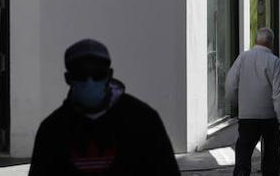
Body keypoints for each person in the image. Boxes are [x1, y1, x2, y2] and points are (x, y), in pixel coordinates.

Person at [29, 38, 180, 175]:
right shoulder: (53, 131)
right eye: (81, 74)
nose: (89, 82)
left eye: (97, 74)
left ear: (109, 75)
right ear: (68, 79)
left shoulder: (142, 121)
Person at [225, 27, 280, 176]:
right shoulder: (274, 62)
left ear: (256, 41)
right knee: (271, 157)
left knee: (244, 153)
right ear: (271, 43)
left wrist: (236, 104)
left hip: (247, 116)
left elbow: (230, 84)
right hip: (269, 117)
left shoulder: (243, 58)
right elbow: (279, 93)